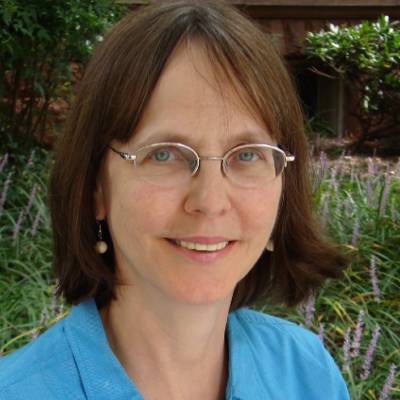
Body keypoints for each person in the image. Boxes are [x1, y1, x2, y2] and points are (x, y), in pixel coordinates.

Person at [0, 1, 350, 399]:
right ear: (97, 188)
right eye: (165, 154)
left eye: (247, 154)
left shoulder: (306, 373)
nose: (210, 201)